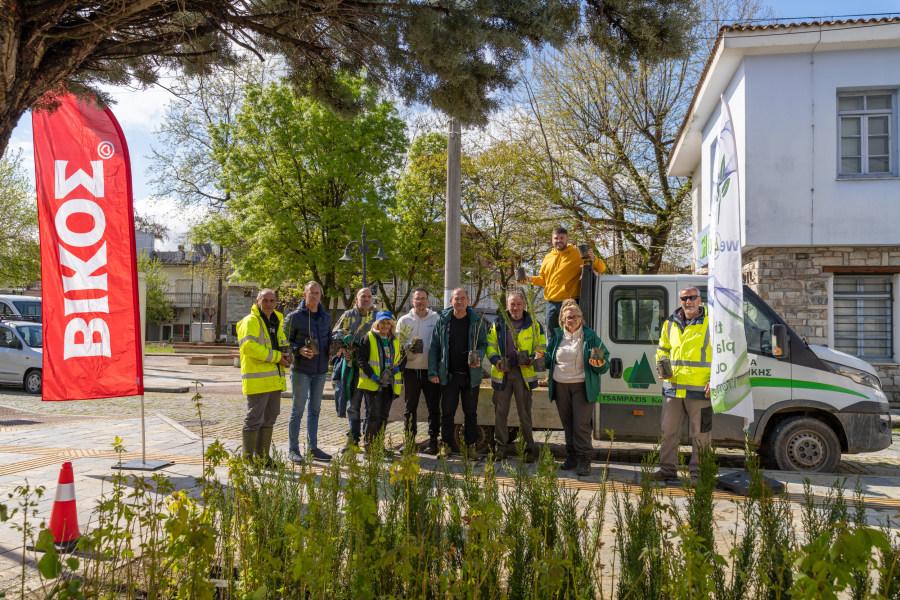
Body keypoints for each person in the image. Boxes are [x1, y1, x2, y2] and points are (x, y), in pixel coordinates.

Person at [654, 285, 712, 483]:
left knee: (701, 435)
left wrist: (716, 380)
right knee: (668, 433)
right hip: (672, 389)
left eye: (692, 297)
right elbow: (662, 349)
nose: (688, 301)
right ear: (680, 301)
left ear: (699, 300)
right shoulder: (670, 324)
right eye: (684, 298)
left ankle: (698, 473)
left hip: (701, 389)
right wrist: (661, 364)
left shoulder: (711, 324)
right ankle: (667, 470)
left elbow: (723, 355)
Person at [546, 299, 609, 477]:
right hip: (560, 386)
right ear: (562, 320)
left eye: (575, 317)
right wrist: (541, 358)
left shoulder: (590, 337)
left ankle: (584, 459)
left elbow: (605, 363)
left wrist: (599, 364)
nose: (572, 320)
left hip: (582, 386)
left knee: (581, 424)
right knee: (568, 424)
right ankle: (572, 456)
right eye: (568, 318)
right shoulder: (557, 337)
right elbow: (549, 360)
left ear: (581, 318)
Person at [428, 287, 488, 460]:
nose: (460, 301)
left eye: (463, 298)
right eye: (457, 298)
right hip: (449, 376)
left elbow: (483, 344)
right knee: (447, 413)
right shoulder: (443, 321)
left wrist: (480, 356)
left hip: (471, 376)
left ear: (468, 301)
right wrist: (433, 371)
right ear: (451, 301)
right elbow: (434, 348)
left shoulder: (476, 321)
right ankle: (445, 446)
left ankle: (471, 447)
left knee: (471, 413)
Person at [486, 290, 546, 461]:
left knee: (524, 413)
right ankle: (501, 448)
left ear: (525, 305)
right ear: (507, 306)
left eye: (519, 304)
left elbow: (542, 348)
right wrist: (496, 359)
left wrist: (533, 358)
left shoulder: (534, 324)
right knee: (500, 413)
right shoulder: (498, 323)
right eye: (512, 304)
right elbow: (490, 345)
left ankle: (528, 449)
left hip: (523, 374)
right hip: (502, 373)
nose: (516, 307)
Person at [518, 227, 605, 337]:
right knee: (551, 336)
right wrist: (529, 279)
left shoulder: (577, 254)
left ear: (567, 239)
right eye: (556, 238)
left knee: (571, 335)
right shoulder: (548, 258)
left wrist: (593, 259)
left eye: (561, 238)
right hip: (551, 304)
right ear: (552, 240)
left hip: (570, 303)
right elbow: (544, 280)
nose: (559, 240)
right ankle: (553, 355)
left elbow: (601, 267)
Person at [237, 289, 289, 465]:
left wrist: (289, 356)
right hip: (258, 380)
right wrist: (276, 356)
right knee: (254, 419)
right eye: (265, 300)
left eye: (272, 301)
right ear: (257, 301)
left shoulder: (276, 322)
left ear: (276, 303)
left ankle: (263, 458)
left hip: (275, 379)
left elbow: (283, 346)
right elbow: (248, 347)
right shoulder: (250, 320)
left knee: (270, 418)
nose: (268, 304)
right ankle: (247, 460)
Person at [284, 281, 334, 464]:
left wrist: (333, 349)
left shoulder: (326, 317)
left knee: (315, 410)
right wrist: (298, 351)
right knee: (297, 410)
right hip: (301, 371)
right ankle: (293, 449)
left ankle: (313, 448)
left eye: (317, 293)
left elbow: (328, 339)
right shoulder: (294, 317)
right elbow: (285, 343)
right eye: (311, 293)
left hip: (320, 372)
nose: (314, 296)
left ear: (320, 295)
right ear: (304, 295)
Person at [397, 288, 441, 454]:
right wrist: (408, 347)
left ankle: (433, 442)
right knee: (410, 409)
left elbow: (441, 343)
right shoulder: (404, 321)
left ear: (428, 301)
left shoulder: (436, 319)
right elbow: (398, 344)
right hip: (411, 370)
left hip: (431, 371)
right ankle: (409, 441)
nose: (420, 302)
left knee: (434, 408)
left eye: (423, 299)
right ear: (412, 301)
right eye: (417, 299)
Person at [356, 311, 407, 451]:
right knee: (373, 416)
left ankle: (379, 446)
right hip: (373, 384)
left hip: (390, 385)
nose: (385, 325)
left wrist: (398, 369)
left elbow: (404, 359)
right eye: (382, 323)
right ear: (377, 324)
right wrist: (373, 376)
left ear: (391, 325)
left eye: (388, 323)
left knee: (384, 416)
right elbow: (361, 360)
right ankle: (369, 447)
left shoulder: (396, 340)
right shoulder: (368, 338)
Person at [333, 288, 375, 450]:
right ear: (356, 299)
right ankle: (353, 439)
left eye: (369, 297)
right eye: (363, 296)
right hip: (353, 370)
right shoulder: (347, 315)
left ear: (372, 299)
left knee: (371, 407)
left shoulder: (377, 317)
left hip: (371, 369)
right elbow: (335, 336)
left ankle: (369, 440)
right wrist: (343, 349)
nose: (366, 299)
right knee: (353, 405)